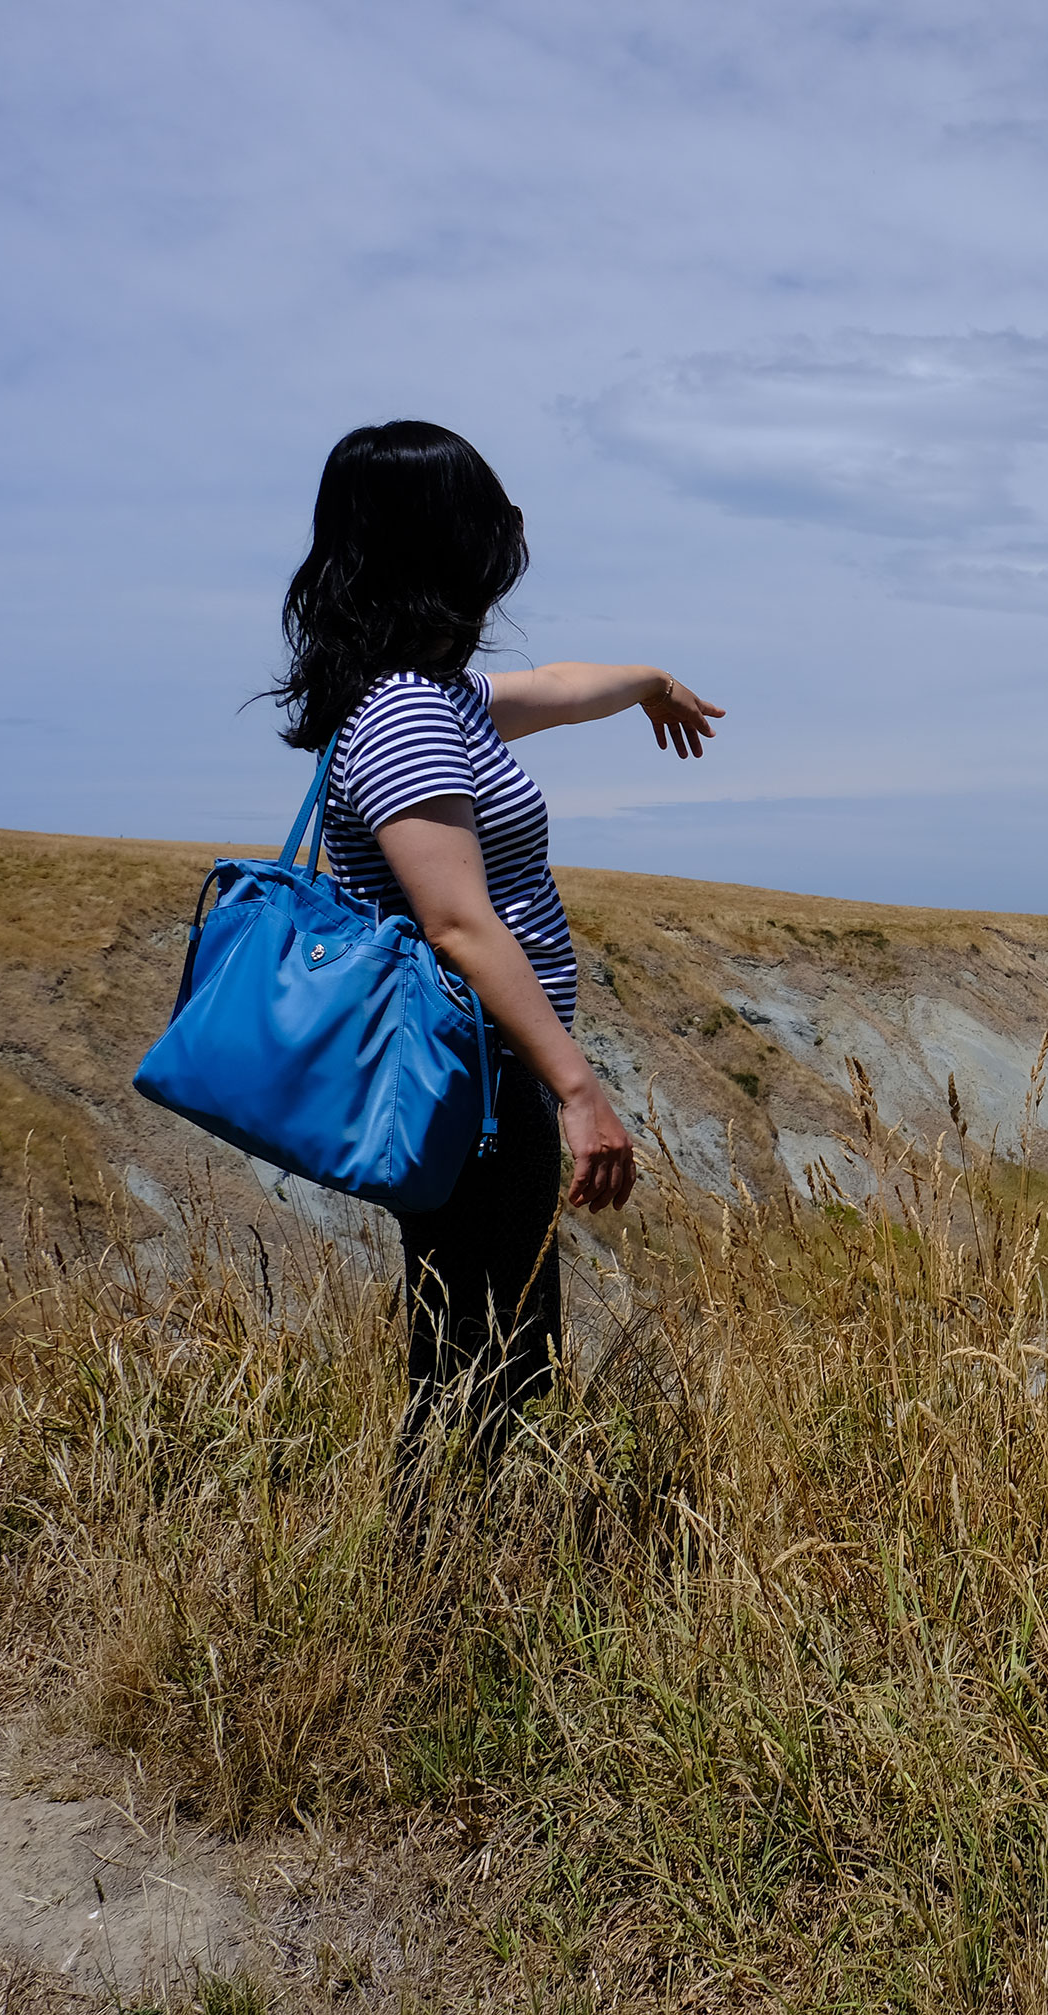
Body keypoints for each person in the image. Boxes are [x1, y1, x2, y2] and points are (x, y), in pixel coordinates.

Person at [264, 420, 725, 1462]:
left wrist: (649, 679)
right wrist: (576, 1089)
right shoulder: (407, 720)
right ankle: (431, 1598)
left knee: (486, 1354)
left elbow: (557, 689)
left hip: (481, 1072)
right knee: (482, 1366)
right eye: (488, 518)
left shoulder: (433, 702)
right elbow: (460, 924)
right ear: (443, 546)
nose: (508, 538)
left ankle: (440, 1585)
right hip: (473, 1075)